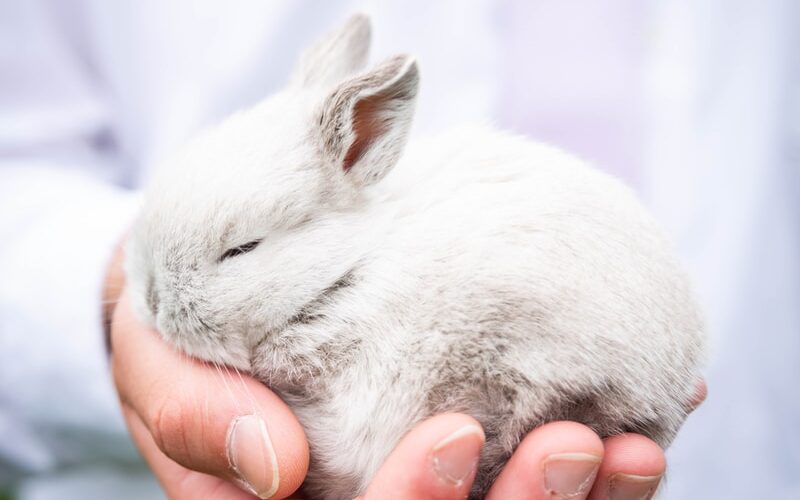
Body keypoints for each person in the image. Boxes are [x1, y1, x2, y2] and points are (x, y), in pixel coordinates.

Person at [0, 2, 721, 499]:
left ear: (362, 147)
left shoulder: (394, 259)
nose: (157, 303)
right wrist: (107, 295)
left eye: (240, 252)